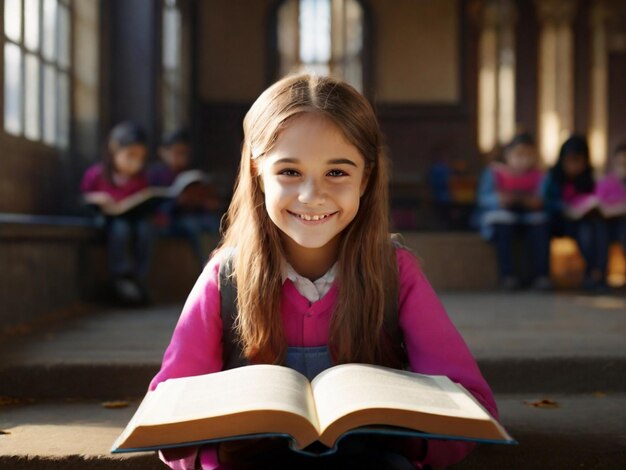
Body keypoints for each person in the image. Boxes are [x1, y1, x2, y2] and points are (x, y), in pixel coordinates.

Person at [149, 74, 498, 469]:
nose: (312, 196)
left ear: (365, 178)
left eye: (337, 172)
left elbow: (473, 404)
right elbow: (168, 418)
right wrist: (216, 451)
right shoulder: (223, 279)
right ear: (256, 172)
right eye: (290, 172)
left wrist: (410, 443)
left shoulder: (394, 272)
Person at [80, 121, 154, 305]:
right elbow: (82, 197)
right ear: (114, 151)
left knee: (146, 229)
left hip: (135, 220)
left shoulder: (140, 179)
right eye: (130, 156)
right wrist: (97, 198)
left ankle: (139, 276)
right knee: (121, 229)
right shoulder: (96, 174)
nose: (135, 163)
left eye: (140, 158)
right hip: (109, 221)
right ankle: (122, 276)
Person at [476, 133, 551, 290]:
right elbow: (483, 198)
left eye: (528, 155)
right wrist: (500, 199)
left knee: (540, 228)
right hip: (503, 216)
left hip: (530, 217)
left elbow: (544, 199)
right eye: (518, 154)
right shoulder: (493, 173)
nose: (523, 159)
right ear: (507, 155)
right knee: (503, 229)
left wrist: (534, 202)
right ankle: (507, 276)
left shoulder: (541, 176)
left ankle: (541, 276)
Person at [543, 134, 610, 291]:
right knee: (586, 230)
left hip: (586, 220)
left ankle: (598, 273)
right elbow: (547, 202)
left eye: (578, 161)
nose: (573, 166)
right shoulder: (553, 177)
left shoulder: (591, 178)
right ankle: (592, 273)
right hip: (560, 222)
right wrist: (565, 208)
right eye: (569, 161)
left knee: (598, 228)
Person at [148, 128, 221, 266]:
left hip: (194, 216)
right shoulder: (155, 174)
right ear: (163, 152)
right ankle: (205, 265)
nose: (181, 158)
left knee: (214, 223)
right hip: (170, 222)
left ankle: (220, 264)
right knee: (191, 225)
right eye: (176, 153)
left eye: (184, 154)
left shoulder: (190, 172)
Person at [596, 142, 626, 279]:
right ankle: (599, 274)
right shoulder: (606, 182)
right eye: (621, 164)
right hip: (606, 224)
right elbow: (600, 206)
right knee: (598, 231)